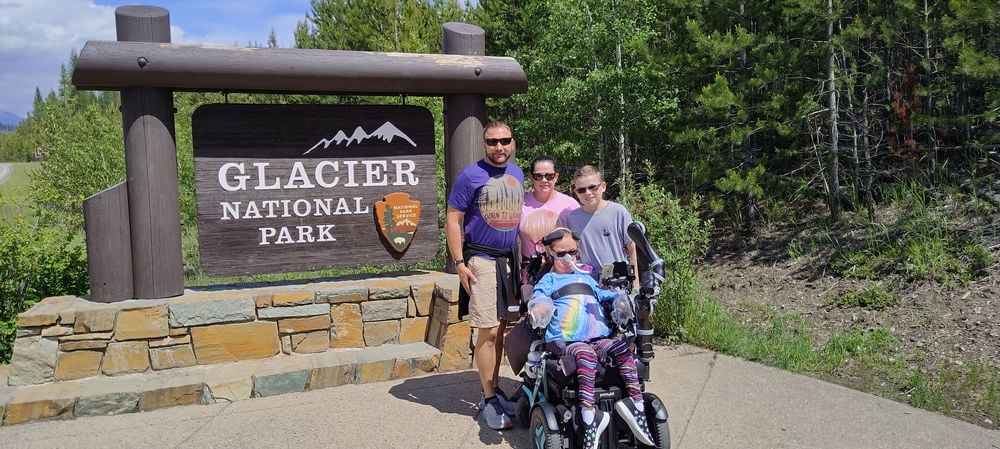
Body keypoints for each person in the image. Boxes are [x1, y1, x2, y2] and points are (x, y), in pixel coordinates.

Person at [528, 228, 655, 449]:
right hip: (568, 340)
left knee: (622, 348)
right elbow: (538, 296)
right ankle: (589, 416)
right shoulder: (550, 280)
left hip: (598, 335)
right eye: (561, 254)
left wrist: (620, 301)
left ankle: (636, 406)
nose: (568, 258)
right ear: (550, 254)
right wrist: (540, 306)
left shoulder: (586, 278)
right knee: (586, 354)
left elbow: (607, 294)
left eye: (573, 253)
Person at [445, 121, 524, 430]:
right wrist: (459, 262)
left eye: (504, 140)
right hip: (481, 259)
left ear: (512, 142)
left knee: (500, 329)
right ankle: (489, 400)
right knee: (488, 332)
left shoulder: (516, 174)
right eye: (492, 141)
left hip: (508, 260)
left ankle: (493, 390)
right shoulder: (470, 176)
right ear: (483, 144)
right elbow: (453, 219)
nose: (499, 147)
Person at [564, 165, 640, 292]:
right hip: (589, 283)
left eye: (593, 187)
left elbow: (632, 249)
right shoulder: (572, 218)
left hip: (618, 281)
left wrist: (635, 285)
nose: (588, 193)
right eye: (582, 190)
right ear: (576, 192)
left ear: (603, 186)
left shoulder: (618, 212)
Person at [518, 155, 580, 260]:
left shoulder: (570, 205)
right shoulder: (520, 204)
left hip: (563, 265)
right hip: (531, 266)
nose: (544, 180)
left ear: (556, 177)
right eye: (538, 176)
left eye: (549, 176)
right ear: (531, 178)